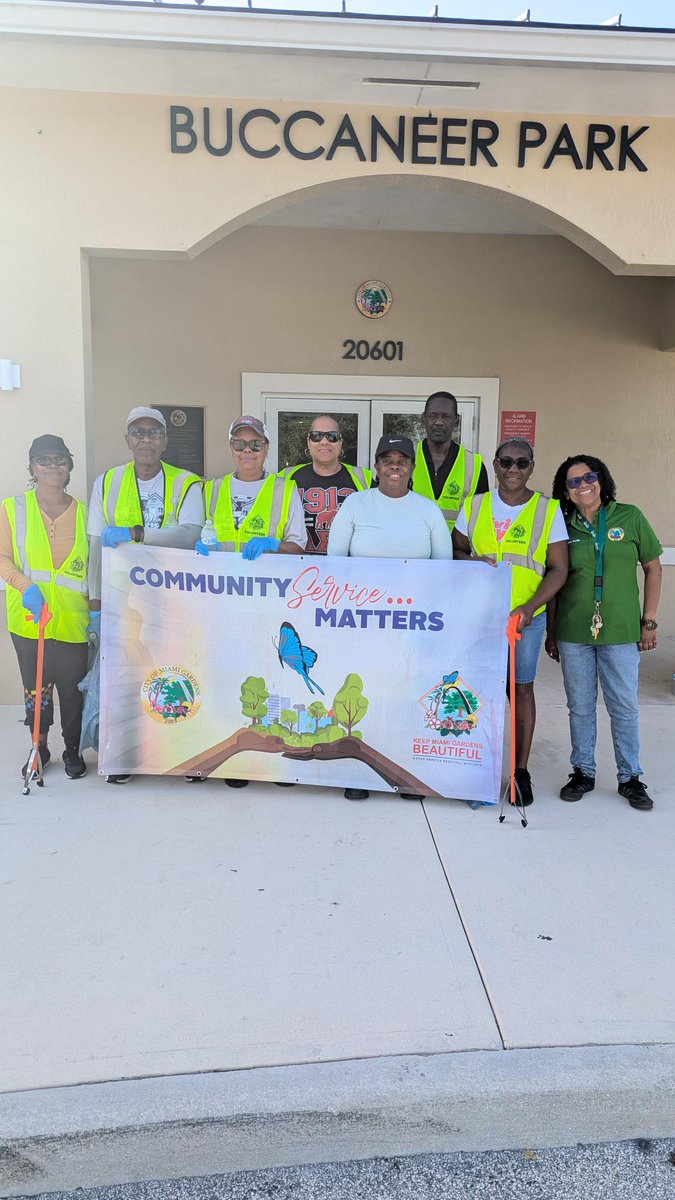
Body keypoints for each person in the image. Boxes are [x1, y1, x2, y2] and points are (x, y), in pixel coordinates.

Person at [328, 434, 453, 800]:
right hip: (363, 622)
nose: (394, 465)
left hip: (411, 624)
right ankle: (361, 772)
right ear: (376, 467)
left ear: (412, 468)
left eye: (402, 459)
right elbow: (336, 565)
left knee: (407, 693)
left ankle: (406, 773)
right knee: (366, 693)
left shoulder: (427, 510)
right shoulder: (355, 505)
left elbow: (443, 571)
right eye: (387, 459)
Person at [87, 406, 204, 783]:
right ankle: (122, 758)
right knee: (125, 679)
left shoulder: (187, 482)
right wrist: (95, 604)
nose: (146, 439)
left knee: (178, 677)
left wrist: (138, 534)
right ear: (127, 440)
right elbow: (94, 548)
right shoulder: (106, 482)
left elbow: (190, 535)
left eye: (154, 433)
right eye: (138, 432)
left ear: (165, 441)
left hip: (174, 599)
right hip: (123, 602)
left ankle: (184, 756)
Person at [453, 437, 568, 809]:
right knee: (477, 694)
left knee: (520, 693)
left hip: (524, 620)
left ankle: (520, 773)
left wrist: (530, 607)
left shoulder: (548, 510)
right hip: (480, 618)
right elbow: (456, 550)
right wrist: (472, 561)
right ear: (496, 465)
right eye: (505, 462)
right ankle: (479, 768)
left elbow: (559, 569)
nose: (513, 469)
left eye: (521, 463)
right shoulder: (475, 505)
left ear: (532, 466)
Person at [196, 414, 306, 788]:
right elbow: (198, 536)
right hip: (224, 604)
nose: (247, 450)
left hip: (269, 604)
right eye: (240, 444)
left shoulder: (285, 490)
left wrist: (277, 545)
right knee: (229, 678)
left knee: (275, 680)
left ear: (266, 449)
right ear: (231, 448)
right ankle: (236, 761)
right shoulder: (210, 491)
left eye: (255, 444)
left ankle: (279, 755)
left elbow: (299, 544)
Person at [546, 455, 662, 811]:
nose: (583, 485)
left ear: (602, 479)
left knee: (623, 707)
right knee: (580, 707)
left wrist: (649, 620)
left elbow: (654, 568)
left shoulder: (630, 516)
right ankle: (583, 771)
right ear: (565, 492)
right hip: (574, 631)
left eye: (589, 477)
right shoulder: (561, 523)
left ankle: (630, 777)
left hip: (622, 630)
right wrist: (552, 632)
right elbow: (552, 574)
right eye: (574, 482)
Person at [0, 435, 89, 779]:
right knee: (36, 690)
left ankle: (72, 749)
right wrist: (26, 587)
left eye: (59, 459)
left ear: (70, 466)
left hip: (72, 621)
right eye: (43, 459)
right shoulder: (12, 508)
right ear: (32, 467)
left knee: (71, 690)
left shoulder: (84, 513)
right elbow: (3, 558)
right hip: (29, 619)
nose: (52, 465)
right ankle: (39, 747)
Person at [280, 415, 372, 554]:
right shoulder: (286, 477)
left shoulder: (364, 478)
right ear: (308, 442)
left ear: (341, 442)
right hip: (298, 569)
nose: (324, 441)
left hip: (348, 570)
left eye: (332, 436)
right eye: (316, 436)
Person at [412, 391, 489, 533]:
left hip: (456, 551)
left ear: (457, 420)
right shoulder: (407, 458)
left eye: (446, 416)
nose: (439, 422)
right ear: (423, 419)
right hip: (414, 549)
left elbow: (482, 517)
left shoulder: (474, 465)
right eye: (433, 416)